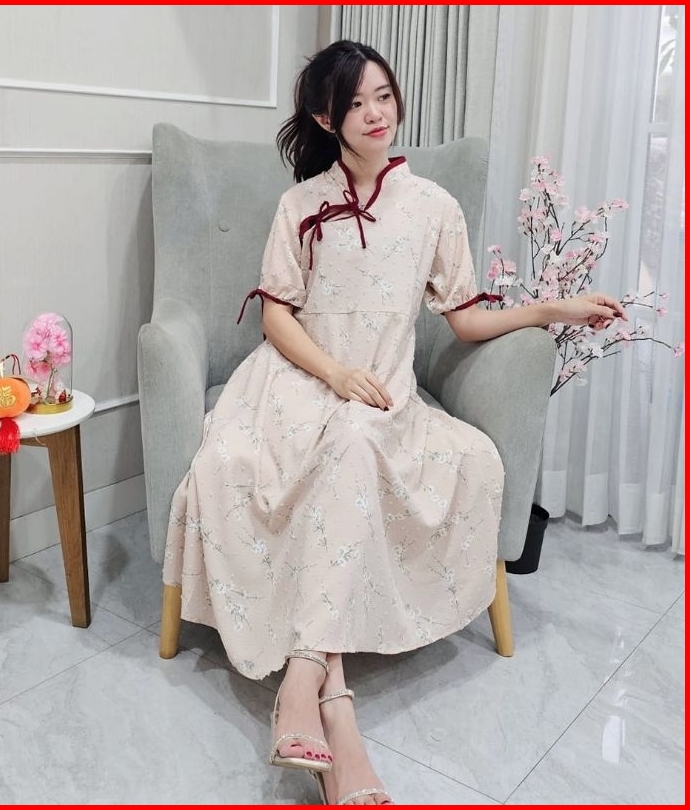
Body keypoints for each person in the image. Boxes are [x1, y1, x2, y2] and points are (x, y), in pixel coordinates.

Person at [162, 40, 627, 805]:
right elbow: (276, 318)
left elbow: (466, 318)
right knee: (314, 444)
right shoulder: (300, 206)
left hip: (381, 395)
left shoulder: (435, 207)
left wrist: (554, 309)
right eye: (356, 103)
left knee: (355, 437)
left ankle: (306, 684)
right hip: (295, 383)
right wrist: (335, 373)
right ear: (326, 118)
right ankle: (334, 715)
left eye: (383, 94)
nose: (376, 113)